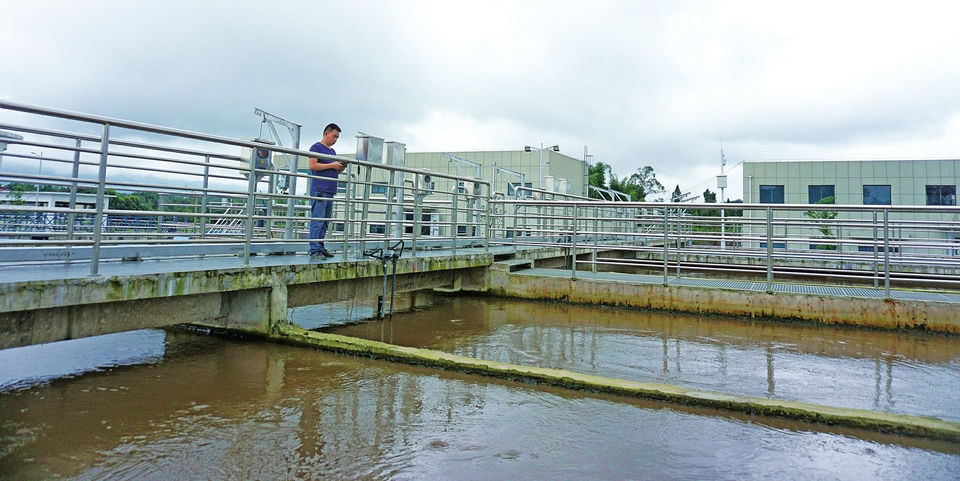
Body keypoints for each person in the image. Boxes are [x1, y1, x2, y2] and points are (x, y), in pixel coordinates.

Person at [308, 123, 346, 258]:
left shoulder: (332, 152)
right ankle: (314, 250)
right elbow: (312, 165)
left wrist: (340, 167)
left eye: (337, 138)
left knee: (325, 221)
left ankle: (320, 246)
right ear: (326, 133)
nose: (335, 140)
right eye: (334, 136)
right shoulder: (316, 147)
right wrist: (332, 164)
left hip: (330, 189)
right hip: (320, 189)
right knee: (317, 220)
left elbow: (333, 169)